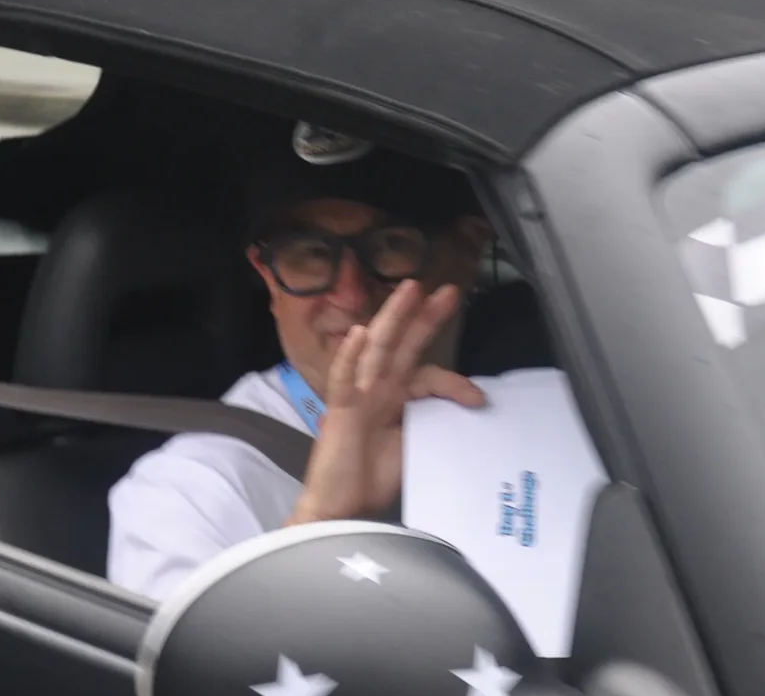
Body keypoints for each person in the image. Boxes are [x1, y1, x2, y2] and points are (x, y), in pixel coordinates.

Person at [106, 134, 491, 601]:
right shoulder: (189, 493)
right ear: (267, 275)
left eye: (391, 245)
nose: (350, 296)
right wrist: (321, 523)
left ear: (470, 251)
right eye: (309, 252)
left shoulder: (553, 414)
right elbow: (200, 674)